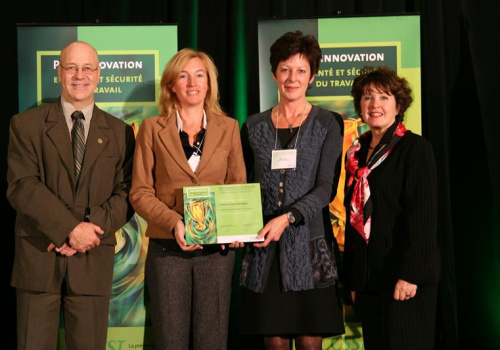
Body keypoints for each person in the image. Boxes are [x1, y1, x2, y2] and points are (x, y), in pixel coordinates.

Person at [7, 41, 135, 349]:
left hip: (93, 258)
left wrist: (86, 230)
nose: (80, 75)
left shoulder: (120, 132)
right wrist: (68, 229)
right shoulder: (26, 125)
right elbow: (22, 185)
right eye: (72, 67)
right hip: (39, 259)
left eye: (87, 68)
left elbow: (127, 193)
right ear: (59, 72)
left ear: (99, 74)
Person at [129, 48, 246, 350]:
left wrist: (235, 228)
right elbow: (140, 192)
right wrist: (174, 222)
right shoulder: (151, 129)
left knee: (213, 341)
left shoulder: (229, 127)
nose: (192, 83)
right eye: (183, 76)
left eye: (199, 75)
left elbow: (237, 185)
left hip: (215, 255)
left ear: (209, 84)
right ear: (172, 85)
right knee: (170, 340)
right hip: (168, 252)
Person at [238, 31, 345, 350]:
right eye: (285, 69)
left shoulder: (328, 123)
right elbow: (243, 185)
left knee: (310, 342)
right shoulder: (253, 125)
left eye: (301, 70)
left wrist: (288, 218)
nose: (292, 78)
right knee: (274, 341)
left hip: (309, 247)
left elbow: (326, 187)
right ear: (274, 74)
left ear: (312, 76)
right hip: (264, 249)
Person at [343, 66, 441, 349]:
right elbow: (355, 217)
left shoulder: (415, 149)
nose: (375, 105)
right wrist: (355, 278)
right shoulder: (356, 153)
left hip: (405, 281)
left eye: (384, 97)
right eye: (367, 97)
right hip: (370, 282)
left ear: (399, 105)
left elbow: (422, 219)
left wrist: (410, 275)